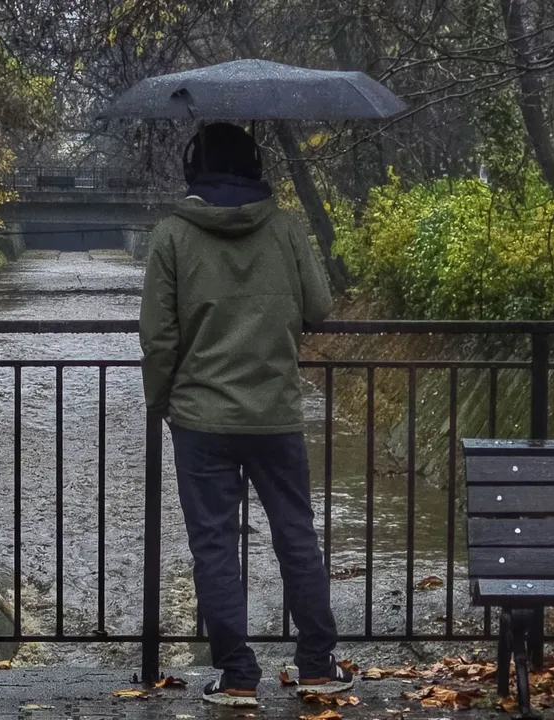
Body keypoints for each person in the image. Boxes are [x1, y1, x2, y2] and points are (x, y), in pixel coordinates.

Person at [138, 122, 352, 707]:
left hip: (200, 419)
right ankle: (316, 665)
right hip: (275, 414)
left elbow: (158, 338)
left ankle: (236, 676)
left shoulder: (172, 236)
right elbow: (319, 306)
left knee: (213, 545)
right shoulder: (283, 228)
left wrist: (162, 401)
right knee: (296, 537)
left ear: (193, 168)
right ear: (255, 165)